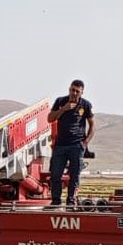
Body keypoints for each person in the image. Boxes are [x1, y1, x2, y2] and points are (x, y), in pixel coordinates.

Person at [45, 78, 94, 206]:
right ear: (69, 89)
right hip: (60, 145)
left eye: (77, 91)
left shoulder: (86, 105)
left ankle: (71, 201)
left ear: (82, 92)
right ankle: (55, 201)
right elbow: (50, 118)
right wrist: (64, 109)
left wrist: (85, 142)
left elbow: (92, 125)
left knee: (74, 175)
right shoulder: (61, 101)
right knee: (55, 174)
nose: (74, 93)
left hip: (76, 146)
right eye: (72, 90)